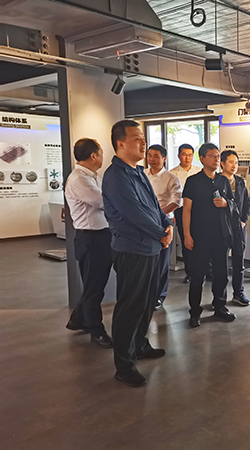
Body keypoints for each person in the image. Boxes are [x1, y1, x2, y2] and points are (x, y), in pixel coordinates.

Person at [103, 120, 173, 387]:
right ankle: (124, 365)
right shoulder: (115, 176)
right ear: (120, 143)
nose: (143, 143)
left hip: (152, 247)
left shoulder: (138, 172)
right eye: (137, 138)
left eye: (143, 138)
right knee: (130, 307)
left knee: (147, 302)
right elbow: (134, 213)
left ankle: (140, 344)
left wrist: (166, 225)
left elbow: (154, 205)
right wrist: (161, 232)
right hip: (132, 249)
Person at [64, 138, 113, 348]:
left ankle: (77, 320)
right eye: (101, 153)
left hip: (100, 237)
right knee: (95, 288)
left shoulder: (91, 176)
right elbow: (103, 202)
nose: (102, 157)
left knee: (95, 284)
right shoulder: (79, 179)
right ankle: (96, 331)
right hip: (91, 238)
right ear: (93, 156)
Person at [183, 143, 237, 328]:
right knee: (198, 275)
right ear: (202, 159)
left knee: (221, 274)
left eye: (218, 156)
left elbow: (233, 204)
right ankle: (194, 312)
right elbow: (186, 210)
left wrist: (225, 203)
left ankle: (220, 307)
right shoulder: (193, 181)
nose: (216, 159)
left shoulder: (223, 181)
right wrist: (187, 234)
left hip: (221, 236)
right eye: (212, 156)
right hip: (200, 236)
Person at [145, 144, 183, 310]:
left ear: (164, 158)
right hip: (143, 222)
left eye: (156, 156)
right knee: (146, 259)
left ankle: (159, 296)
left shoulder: (171, 178)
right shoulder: (142, 174)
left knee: (162, 261)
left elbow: (176, 202)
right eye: (149, 155)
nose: (152, 159)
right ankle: (147, 294)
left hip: (163, 223)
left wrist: (158, 214)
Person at [220, 149, 250, 307]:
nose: (234, 165)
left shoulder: (240, 181)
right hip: (221, 227)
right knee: (221, 263)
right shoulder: (217, 181)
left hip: (239, 227)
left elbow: (247, 202)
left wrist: (244, 220)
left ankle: (238, 293)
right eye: (231, 162)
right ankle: (220, 298)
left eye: (236, 163)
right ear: (222, 163)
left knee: (239, 261)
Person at [171, 143, 202, 284]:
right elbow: (171, 196)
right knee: (186, 241)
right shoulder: (172, 174)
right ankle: (190, 272)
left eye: (190, 155)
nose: (187, 158)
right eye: (184, 154)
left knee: (201, 240)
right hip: (181, 211)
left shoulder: (199, 171)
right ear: (179, 156)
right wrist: (172, 215)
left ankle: (203, 270)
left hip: (199, 211)